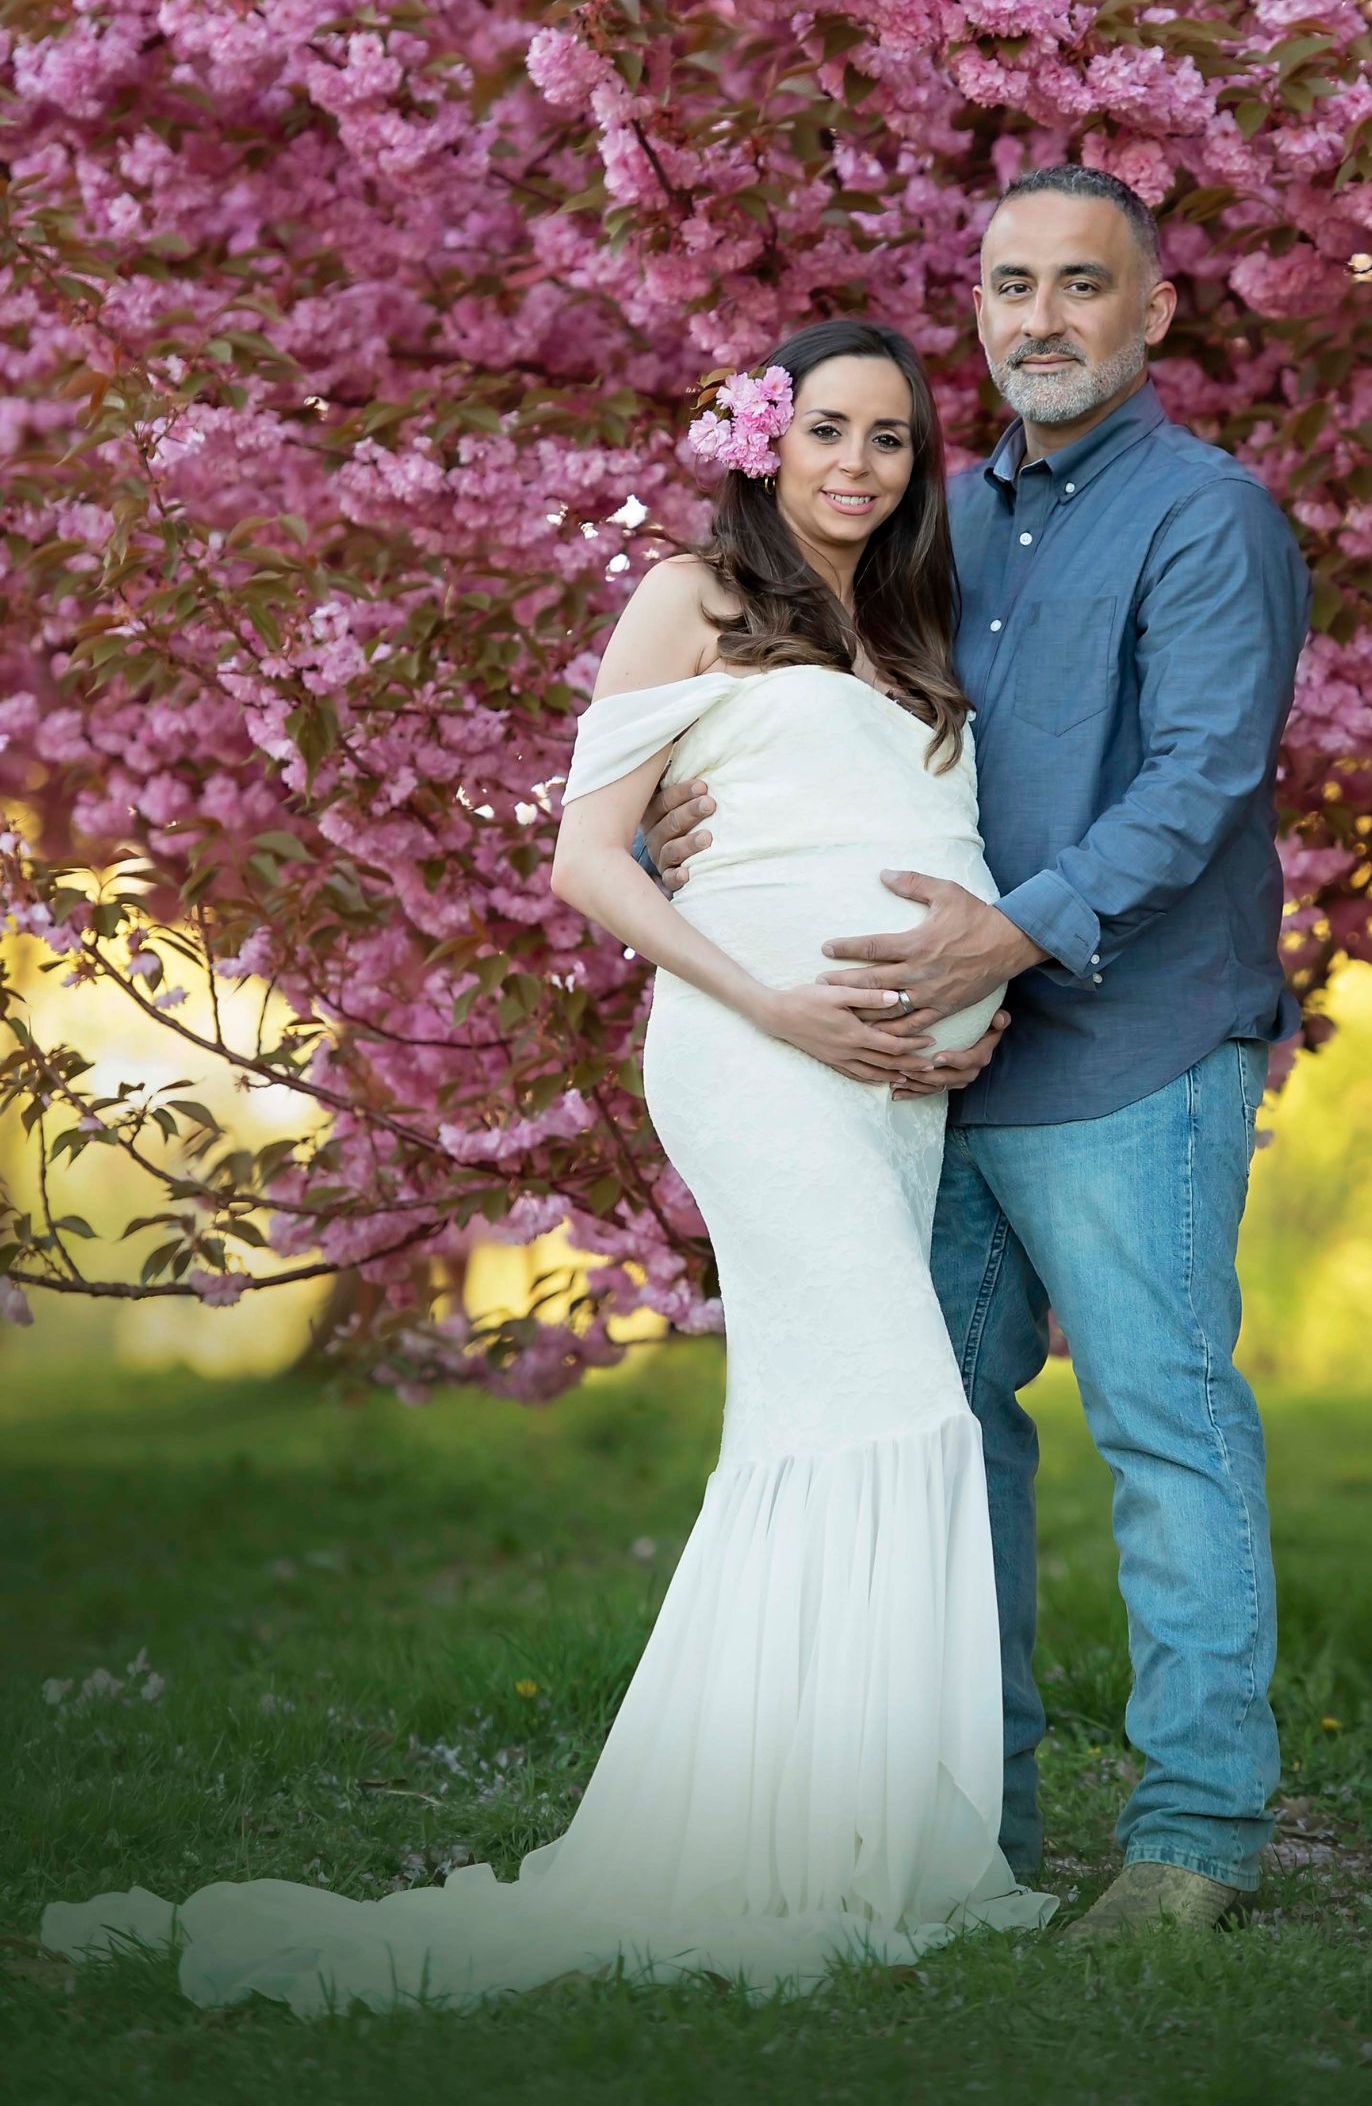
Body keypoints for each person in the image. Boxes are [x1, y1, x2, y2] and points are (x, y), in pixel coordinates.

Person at [40, 318, 1056, 2009]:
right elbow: (594, 861)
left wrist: (972, 990)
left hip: (897, 1085)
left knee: (823, 1428)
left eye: (889, 438)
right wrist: (780, 1007)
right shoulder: (690, 594)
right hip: (760, 1057)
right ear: (764, 440)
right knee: (903, 1413)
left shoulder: (909, 628)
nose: (857, 466)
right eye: (826, 431)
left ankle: (826, 1838)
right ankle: (834, 1848)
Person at [649, 167, 1312, 1944]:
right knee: (951, 1440)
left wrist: (1008, 936)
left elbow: (1201, 778)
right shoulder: (936, 514)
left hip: (1133, 1049)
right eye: (1009, 285)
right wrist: (702, 798)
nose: (1039, 317)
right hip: (933, 1077)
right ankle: (974, 1836)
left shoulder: (1207, 517)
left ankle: (1192, 1841)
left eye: (1079, 285)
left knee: (1165, 1427)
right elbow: (825, 709)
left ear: (1153, 310)